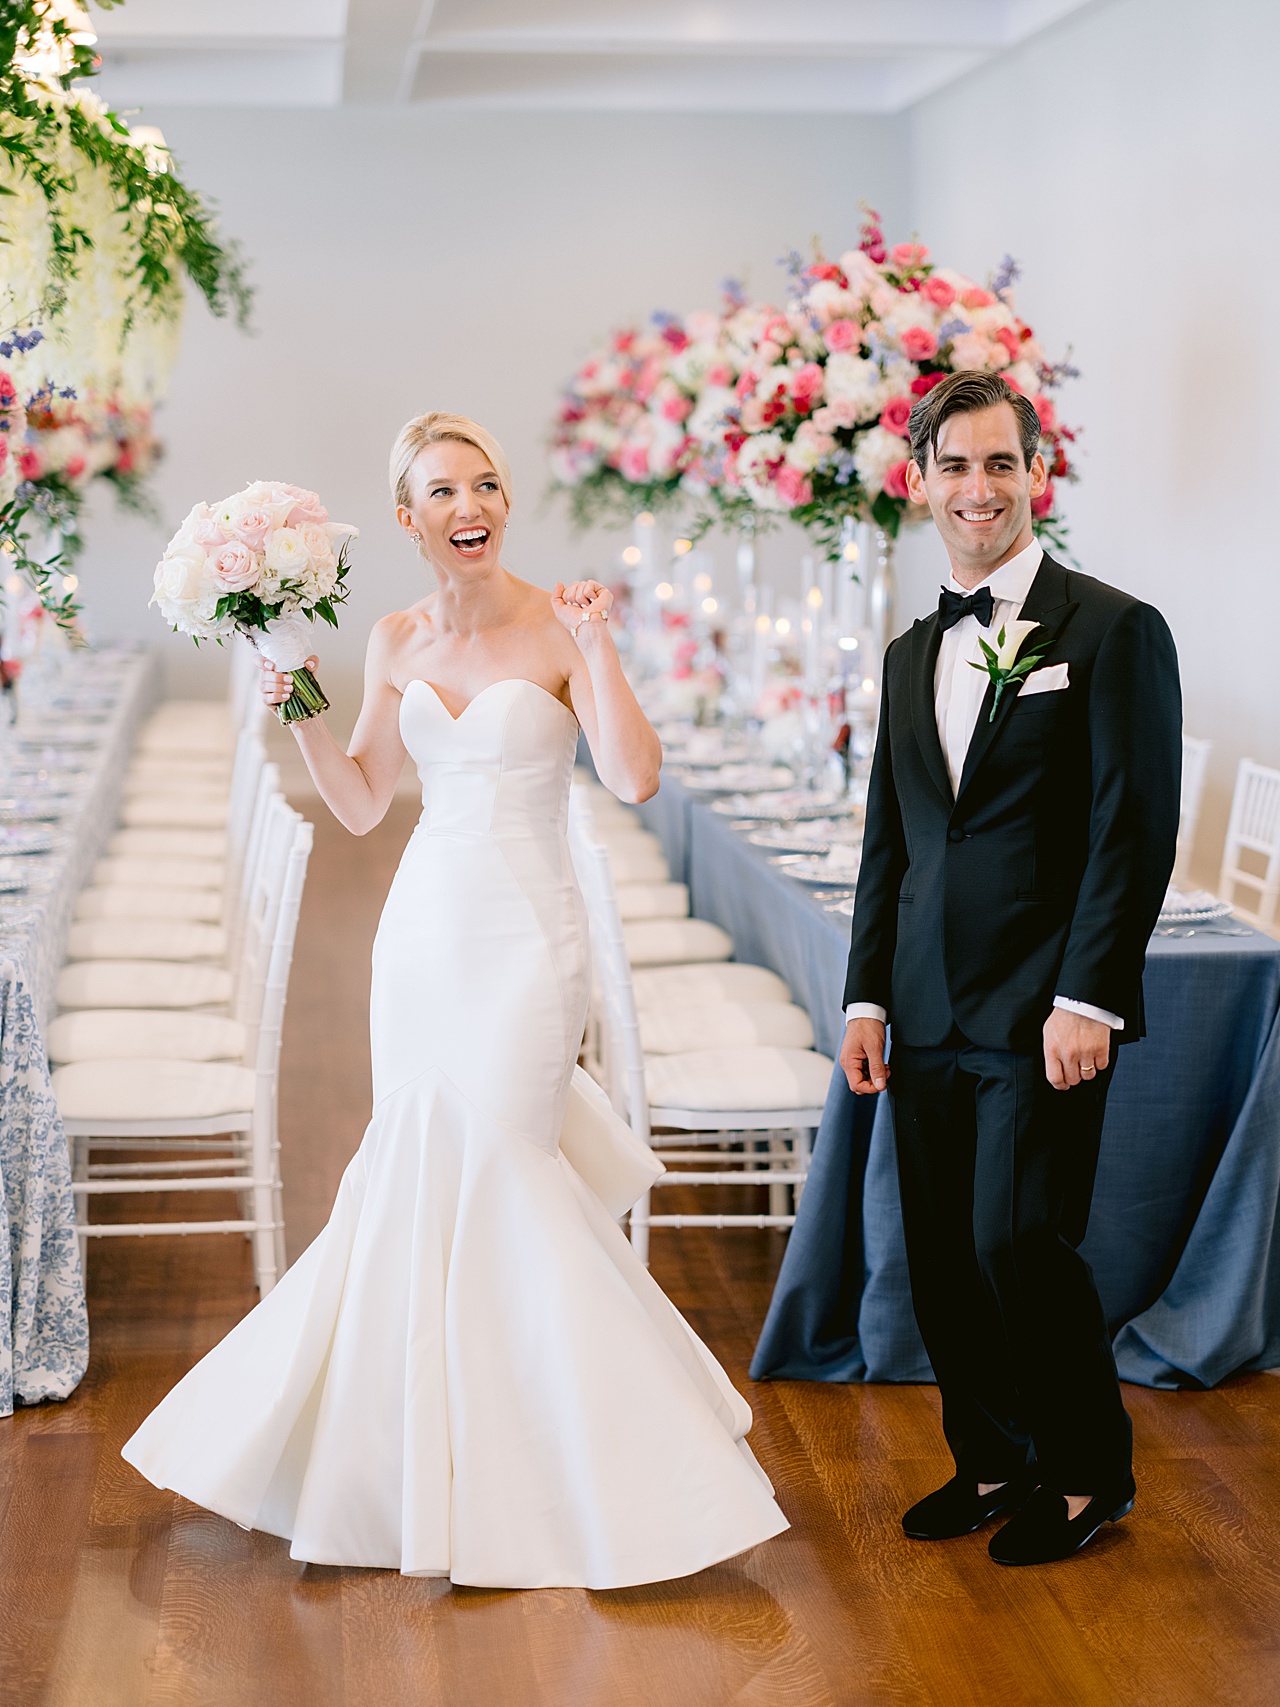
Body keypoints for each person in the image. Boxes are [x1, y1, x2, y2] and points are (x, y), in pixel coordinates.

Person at [123, 412, 788, 1587]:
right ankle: (415, 1465)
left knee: (507, 1167)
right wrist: (304, 702)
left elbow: (632, 776)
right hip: (422, 937)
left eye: (484, 483)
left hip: (529, 940)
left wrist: (600, 652)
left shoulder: (559, 623)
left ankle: (584, 1471)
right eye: (441, 490)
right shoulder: (390, 639)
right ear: (407, 517)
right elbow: (368, 801)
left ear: (501, 502)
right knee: (418, 1172)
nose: (468, 505)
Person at [840, 372, 1180, 1566]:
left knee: (1015, 1244)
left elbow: (1128, 826)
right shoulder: (904, 652)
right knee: (937, 1252)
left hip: (1042, 1010)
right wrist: (866, 994)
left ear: (1035, 475)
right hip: (923, 1008)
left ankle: (1088, 1475)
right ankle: (989, 1459)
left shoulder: (1111, 629)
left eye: (999, 464)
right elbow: (889, 837)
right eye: (955, 467)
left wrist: (1086, 995)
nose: (976, 489)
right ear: (919, 482)